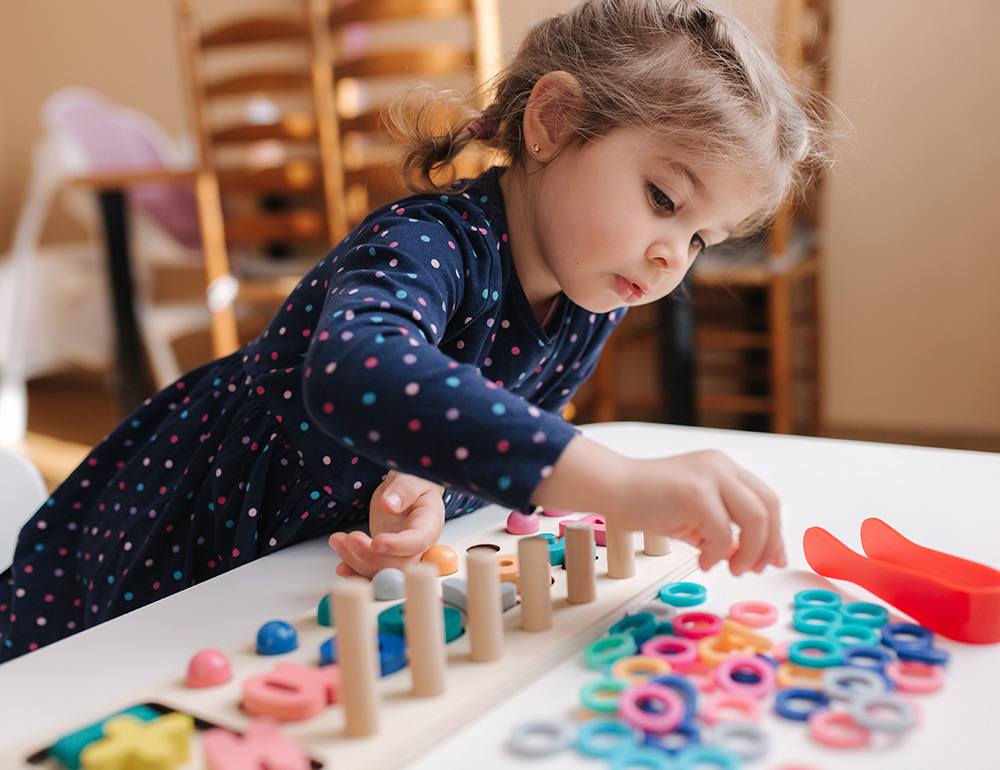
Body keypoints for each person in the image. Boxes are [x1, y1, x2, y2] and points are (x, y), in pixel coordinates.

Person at [0, 0, 828, 661]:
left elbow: (458, 424)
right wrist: (619, 485)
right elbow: (360, 372)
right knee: (51, 682)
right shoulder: (429, 240)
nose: (669, 256)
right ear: (553, 122)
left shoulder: (590, 303)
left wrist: (426, 487)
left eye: (700, 240)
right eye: (662, 199)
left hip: (293, 569)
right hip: (183, 519)